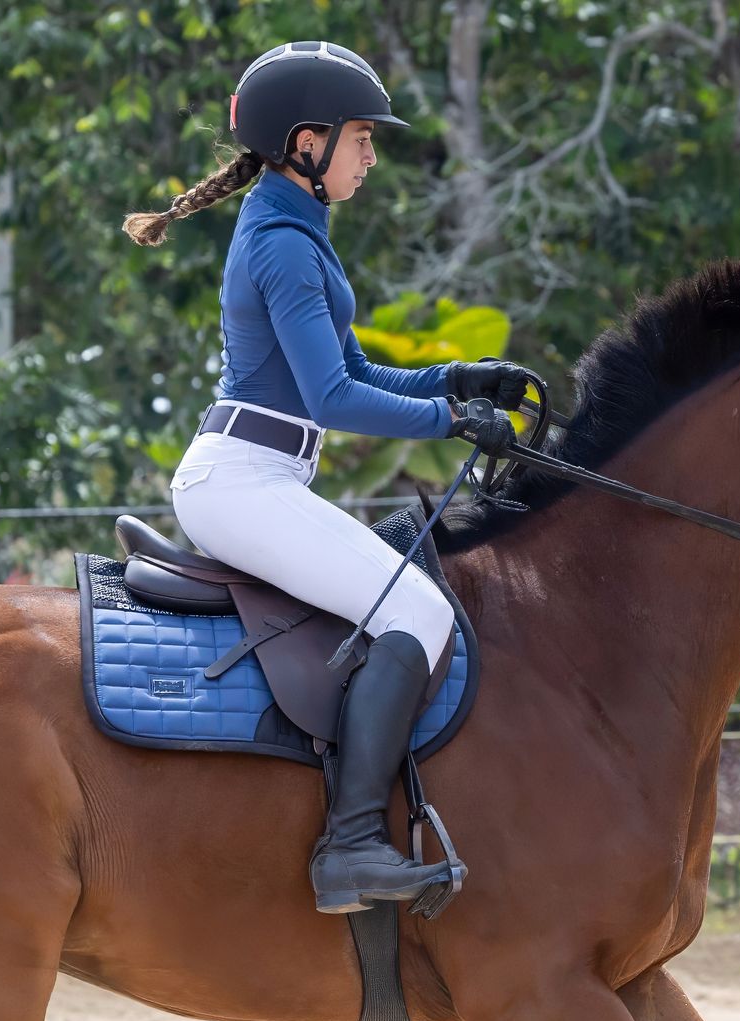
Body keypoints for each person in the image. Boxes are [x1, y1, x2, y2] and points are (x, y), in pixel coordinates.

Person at [121, 40, 528, 915]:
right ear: (307, 143)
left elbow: (358, 370)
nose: (371, 156)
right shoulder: (282, 243)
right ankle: (349, 848)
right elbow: (333, 399)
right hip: (241, 484)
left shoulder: (297, 228)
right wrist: (453, 422)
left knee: (408, 605)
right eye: (361, 138)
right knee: (417, 612)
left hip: (259, 477)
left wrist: (458, 380)